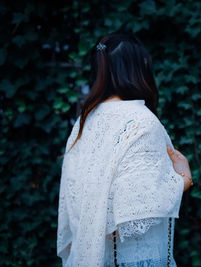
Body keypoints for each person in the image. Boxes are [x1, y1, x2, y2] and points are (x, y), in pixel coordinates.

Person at [56, 30, 193, 267]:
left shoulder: (85, 121)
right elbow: (133, 215)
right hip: (135, 259)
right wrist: (183, 179)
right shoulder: (141, 121)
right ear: (139, 69)